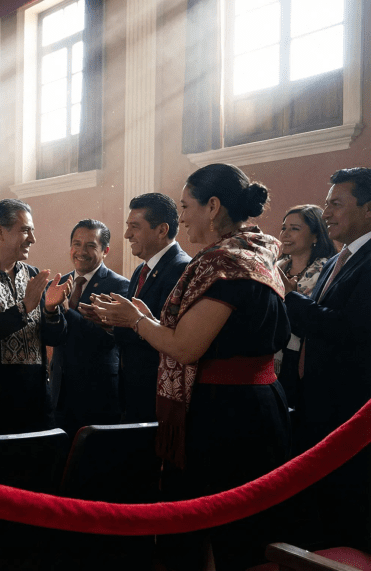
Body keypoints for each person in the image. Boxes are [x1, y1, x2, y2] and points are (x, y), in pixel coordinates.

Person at [94, 163, 290, 569]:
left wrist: (136, 321)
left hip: (229, 414)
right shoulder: (259, 253)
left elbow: (185, 347)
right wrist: (146, 318)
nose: (180, 217)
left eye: (185, 206)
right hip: (254, 402)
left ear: (213, 206)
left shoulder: (226, 264)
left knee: (227, 531)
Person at [283, 167, 371, 551]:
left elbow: (349, 328)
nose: (328, 211)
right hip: (316, 399)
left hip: (347, 404)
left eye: (337, 203)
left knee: (348, 508)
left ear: (368, 209)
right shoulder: (343, 259)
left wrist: (289, 298)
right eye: (326, 203)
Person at [0, 199, 70, 437]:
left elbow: (55, 338)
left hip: (36, 407)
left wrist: (50, 309)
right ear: (0, 231)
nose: (32, 239)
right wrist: (24, 308)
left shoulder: (33, 275)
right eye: (25, 230)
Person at [111, 193, 191, 423]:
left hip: (159, 391)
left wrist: (126, 319)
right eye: (128, 227)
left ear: (161, 230)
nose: (127, 235)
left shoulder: (182, 269)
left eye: (134, 227)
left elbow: (170, 335)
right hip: (136, 388)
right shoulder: (141, 270)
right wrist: (109, 320)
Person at [50, 219, 128, 437]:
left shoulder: (119, 287)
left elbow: (106, 340)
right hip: (59, 396)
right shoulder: (58, 285)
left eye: (91, 246)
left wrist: (67, 311)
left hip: (98, 395)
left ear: (105, 251)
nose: (81, 251)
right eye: (76, 244)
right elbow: (50, 335)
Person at [274, 205, 336, 404]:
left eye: (295, 228)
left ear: (316, 236)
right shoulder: (276, 268)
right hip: (270, 354)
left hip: (304, 358)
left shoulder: (328, 271)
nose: (285, 234)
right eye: (284, 228)